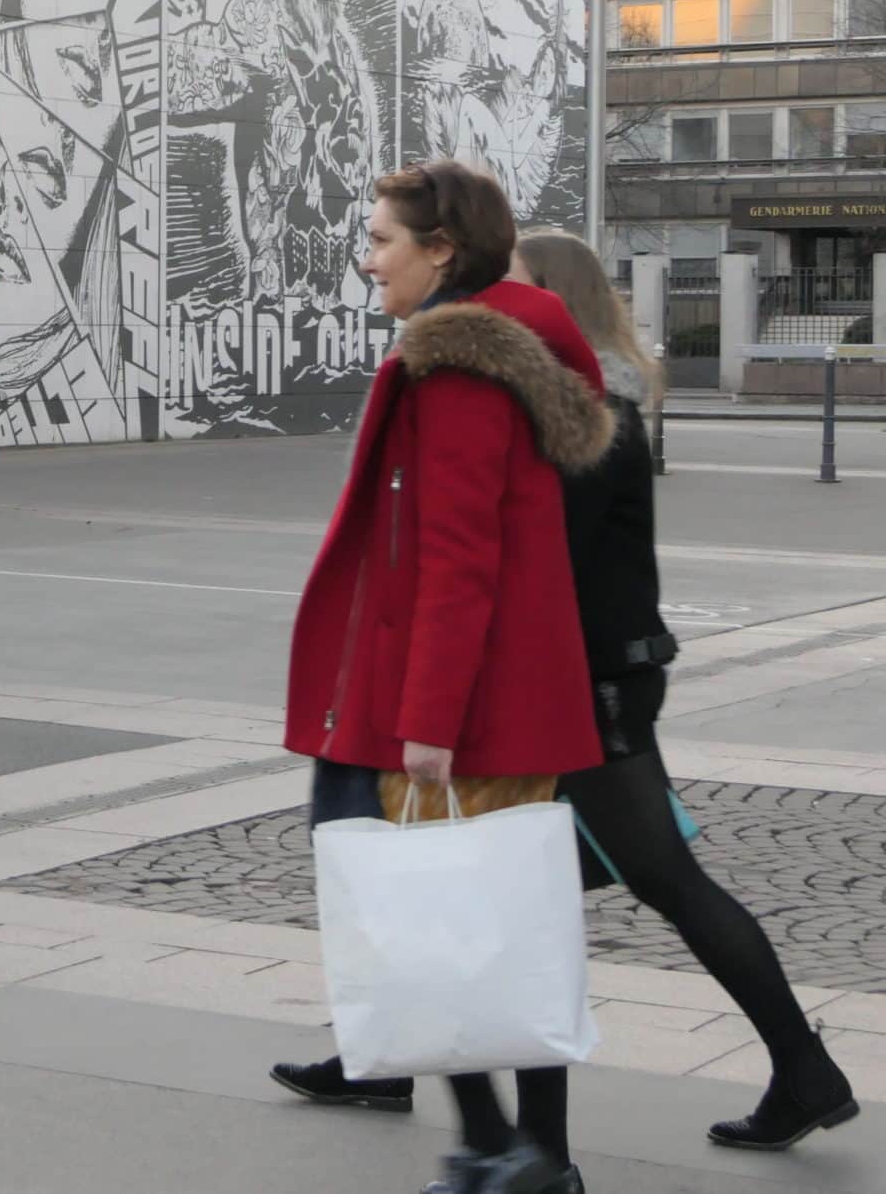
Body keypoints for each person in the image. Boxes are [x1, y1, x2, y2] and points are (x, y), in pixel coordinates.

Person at [272, 231, 864, 1171]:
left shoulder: (577, 417)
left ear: (552, 301)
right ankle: (408, 1067)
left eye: (511, 291)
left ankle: (540, 1134)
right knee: (529, 881)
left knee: (587, 883)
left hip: (578, 685)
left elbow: (524, 564)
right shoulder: (598, 405)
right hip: (601, 673)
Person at [278, 159, 613, 1194]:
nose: (367, 258)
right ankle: (502, 1145)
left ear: (442, 251)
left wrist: (427, 721)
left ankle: (522, 1153)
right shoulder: (492, 349)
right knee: (479, 917)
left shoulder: (461, 366)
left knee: (472, 921)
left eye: (382, 240)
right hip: (451, 692)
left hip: (453, 706)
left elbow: (457, 557)